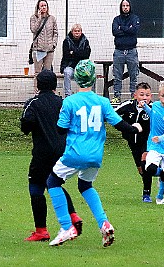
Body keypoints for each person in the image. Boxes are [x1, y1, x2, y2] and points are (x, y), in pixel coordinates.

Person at [46, 60, 143, 247]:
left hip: (75, 153)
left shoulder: (69, 101)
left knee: (52, 182)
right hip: (95, 156)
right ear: (94, 79)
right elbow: (120, 125)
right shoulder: (103, 102)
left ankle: (66, 226)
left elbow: (60, 129)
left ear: (76, 79)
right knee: (85, 186)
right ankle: (104, 223)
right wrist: (135, 128)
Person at [20, 69, 83, 242]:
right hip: (63, 152)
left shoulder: (33, 103)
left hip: (42, 153)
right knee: (54, 184)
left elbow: (26, 125)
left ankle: (41, 231)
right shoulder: (63, 103)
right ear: (56, 85)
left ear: (38, 85)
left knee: (36, 187)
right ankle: (73, 216)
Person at [138, 81, 164, 205]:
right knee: (149, 169)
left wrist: (160, 138)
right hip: (155, 146)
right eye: (162, 96)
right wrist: (144, 106)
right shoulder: (155, 106)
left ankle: (161, 197)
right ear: (159, 96)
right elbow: (153, 115)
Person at [115, 82, 154, 203]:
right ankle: (161, 174)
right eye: (141, 94)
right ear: (135, 95)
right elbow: (112, 115)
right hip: (132, 142)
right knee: (141, 170)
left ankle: (146, 194)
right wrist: (126, 127)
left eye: (147, 95)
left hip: (147, 142)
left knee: (145, 164)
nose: (144, 98)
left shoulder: (153, 109)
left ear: (151, 96)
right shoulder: (128, 105)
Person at [111, 0, 140, 104]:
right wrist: (128, 29)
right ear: (121, 7)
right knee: (117, 76)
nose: (125, 7)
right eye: (123, 6)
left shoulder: (135, 18)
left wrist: (122, 28)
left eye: (127, 5)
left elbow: (134, 30)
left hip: (131, 51)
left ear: (130, 7)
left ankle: (134, 96)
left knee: (133, 76)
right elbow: (115, 32)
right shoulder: (116, 19)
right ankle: (116, 97)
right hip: (119, 52)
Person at [30, 0, 58, 93]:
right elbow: (34, 30)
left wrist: (54, 44)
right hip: (38, 49)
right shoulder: (33, 18)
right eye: (41, 6)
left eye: (45, 5)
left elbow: (55, 32)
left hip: (49, 50)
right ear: (38, 7)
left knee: (48, 72)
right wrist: (39, 18)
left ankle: (48, 92)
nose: (43, 7)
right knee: (38, 73)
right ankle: (37, 92)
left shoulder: (52, 18)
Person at [60, 24, 91, 97]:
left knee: (91, 74)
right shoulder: (66, 41)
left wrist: (73, 52)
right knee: (67, 72)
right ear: (72, 32)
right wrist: (80, 53)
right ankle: (68, 95)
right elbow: (66, 55)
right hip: (70, 65)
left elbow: (86, 55)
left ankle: (87, 95)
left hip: (82, 65)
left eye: (78, 31)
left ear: (81, 32)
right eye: (75, 31)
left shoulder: (85, 41)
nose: (77, 33)